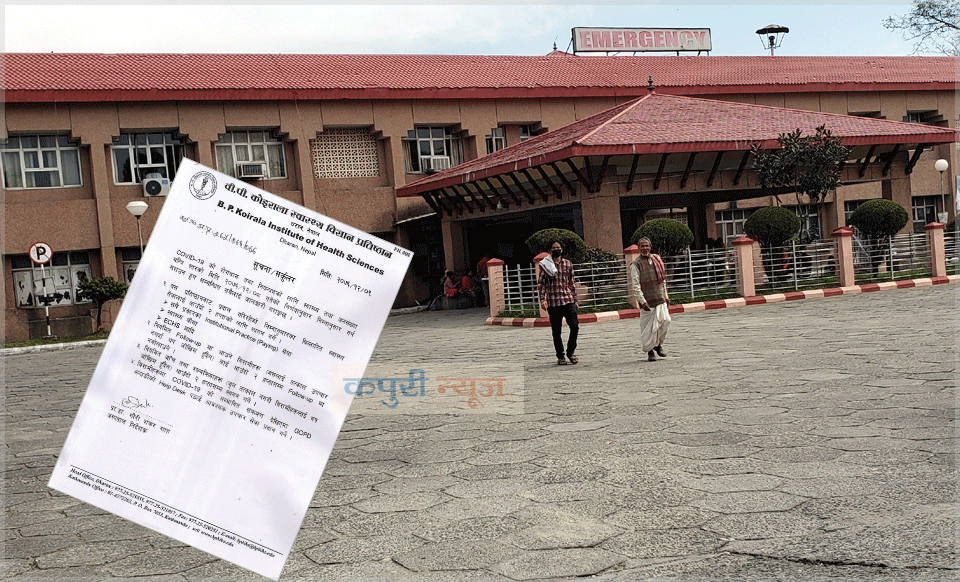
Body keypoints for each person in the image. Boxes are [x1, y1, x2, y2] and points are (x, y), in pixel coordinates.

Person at [630, 237, 671, 362]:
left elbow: (662, 280)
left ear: (650, 247)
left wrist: (666, 296)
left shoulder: (657, 260)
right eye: (642, 246)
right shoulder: (636, 264)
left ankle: (658, 345)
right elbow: (636, 285)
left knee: (666, 321)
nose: (645, 248)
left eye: (647, 246)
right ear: (639, 248)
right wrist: (642, 301)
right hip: (647, 302)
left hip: (659, 298)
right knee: (647, 329)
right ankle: (650, 351)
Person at [538, 240, 579, 365]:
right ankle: (560, 356)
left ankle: (570, 352)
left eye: (558, 247)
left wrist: (575, 299)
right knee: (556, 332)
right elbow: (541, 284)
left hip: (568, 299)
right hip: (554, 302)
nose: (557, 249)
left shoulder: (567, 264)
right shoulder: (545, 265)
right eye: (554, 248)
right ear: (550, 251)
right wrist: (543, 299)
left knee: (575, 327)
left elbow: (572, 283)